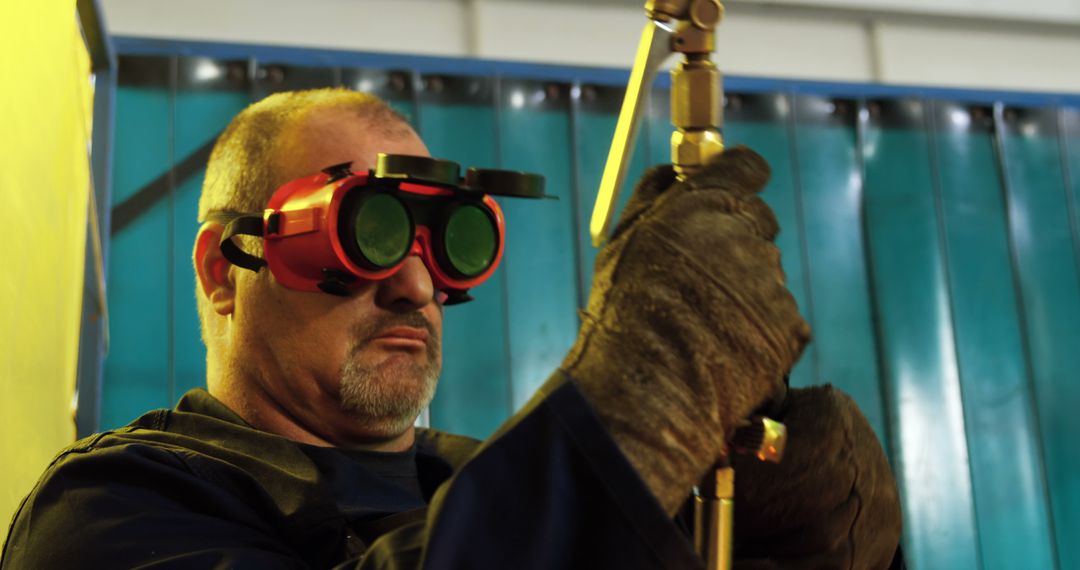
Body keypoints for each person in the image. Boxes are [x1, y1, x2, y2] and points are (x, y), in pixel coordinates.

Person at [2, 88, 902, 569]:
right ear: (221, 272)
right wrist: (633, 412)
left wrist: (802, 538)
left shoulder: (486, 480)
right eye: (369, 229)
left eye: (445, 239)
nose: (417, 282)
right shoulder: (108, 512)